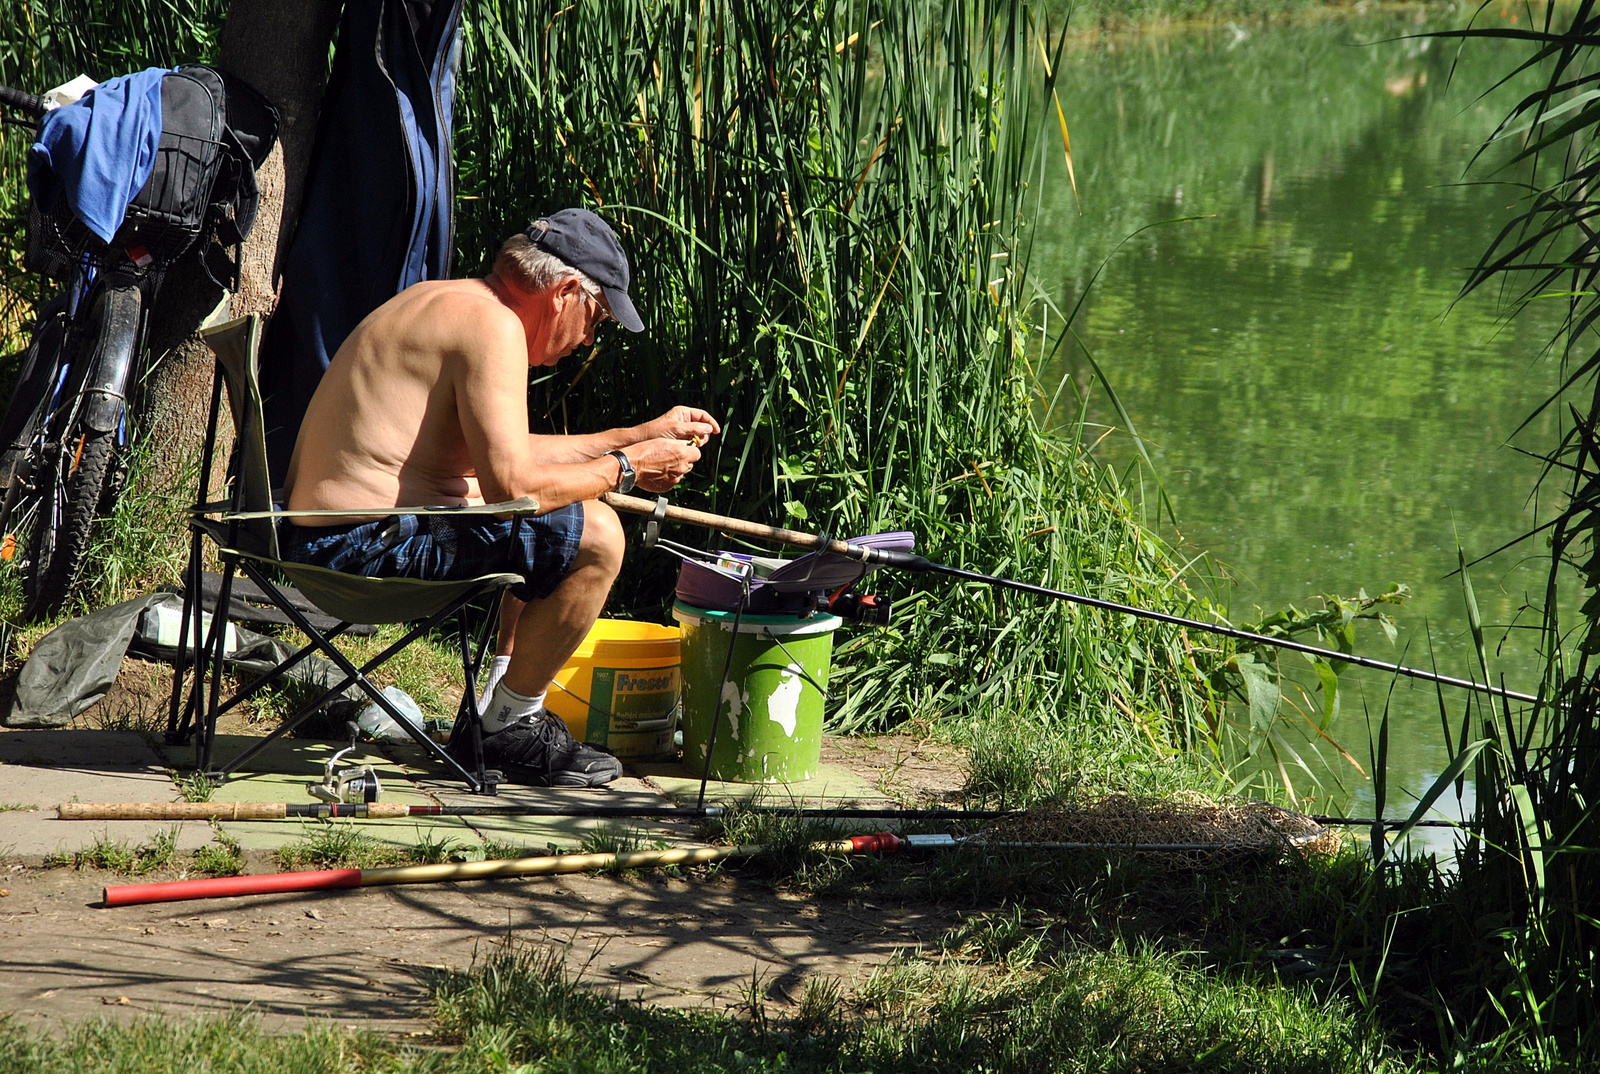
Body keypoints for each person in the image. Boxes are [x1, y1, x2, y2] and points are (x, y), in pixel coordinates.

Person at [278, 209, 718, 787]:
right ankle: (510, 726)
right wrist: (630, 467)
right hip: (359, 552)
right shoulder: (496, 329)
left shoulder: (452, 301)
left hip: (316, 535)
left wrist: (635, 436)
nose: (589, 338)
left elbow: (509, 457)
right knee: (599, 535)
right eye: (597, 317)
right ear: (564, 293)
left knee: (555, 519)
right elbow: (516, 488)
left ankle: (500, 713)